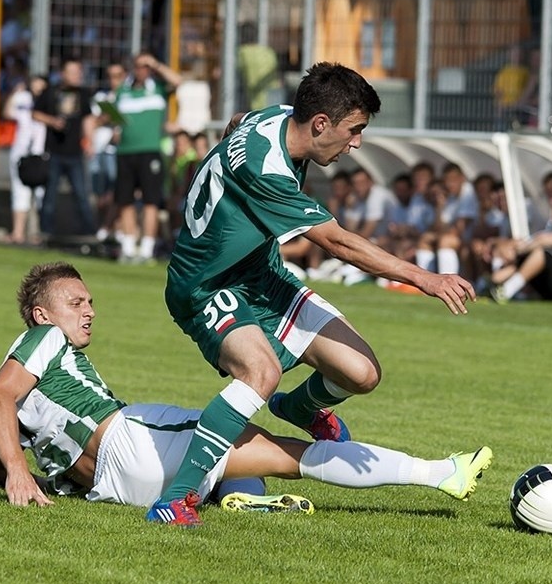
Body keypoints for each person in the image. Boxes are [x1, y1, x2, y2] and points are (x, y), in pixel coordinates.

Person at [153, 62, 476, 526]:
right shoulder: (267, 170)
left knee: (362, 373)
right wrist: (425, 278)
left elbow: (238, 123)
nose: (357, 143)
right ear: (321, 124)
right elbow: (338, 242)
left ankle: (298, 406)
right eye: (355, 130)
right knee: (259, 372)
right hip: (207, 286)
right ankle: (176, 498)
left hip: (262, 275)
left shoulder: (283, 116)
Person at [0, 262, 492, 523]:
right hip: (131, 441)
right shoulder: (43, 339)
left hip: (115, 491)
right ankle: (440, 474)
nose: (88, 310)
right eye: (74, 302)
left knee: (234, 460)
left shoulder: (34, 385)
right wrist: (19, 475)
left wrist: (4, 469)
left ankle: (240, 502)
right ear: (42, 315)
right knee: (284, 452)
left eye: (90, 300)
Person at [114, 52, 182, 263]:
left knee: (151, 200)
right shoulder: (123, 91)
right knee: (125, 200)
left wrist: (156, 63)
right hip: (125, 151)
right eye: (139, 66)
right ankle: (128, 246)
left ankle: (146, 248)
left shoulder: (158, 88)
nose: (141, 70)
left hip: (149, 150)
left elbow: (178, 81)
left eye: (145, 66)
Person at [32, 57, 97, 238]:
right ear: (63, 74)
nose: (78, 76)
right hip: (54, 152)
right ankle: (46, 231)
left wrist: (89, 142)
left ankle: (89, 232)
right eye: (74, 72)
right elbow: (35, 113)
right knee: (50, 195)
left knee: (82, 194)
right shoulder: (51, 92)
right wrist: (52, 121)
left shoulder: (83, 95)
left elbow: (87, 119)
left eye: (79, 72)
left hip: (75, 152)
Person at [4, 75, 48, 245]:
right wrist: (15, 93)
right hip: (21, 152)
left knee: (40, 194)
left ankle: (36, 233)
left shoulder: (47, 103)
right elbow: (7, 113)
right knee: (19, 192)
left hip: (40, 153)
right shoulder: (23, 99)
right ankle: (18, 232)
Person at [90, 60, 127, 242]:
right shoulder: (101, 96)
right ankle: (103, 229)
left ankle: (113, 229)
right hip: (100, 149)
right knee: (100, 195)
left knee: (115, 192)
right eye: (111, 77)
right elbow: (94, 120)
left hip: (117, 151)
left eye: (118, 76)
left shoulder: (128, 96)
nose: (114, 81)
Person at [493, 44, 530, 131]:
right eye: (514, 53)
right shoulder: (503, 71)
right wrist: (501, 103)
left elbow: (526, 90)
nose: (516, 56)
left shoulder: (525, 72)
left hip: (518, 107)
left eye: (518, 54)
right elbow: (497, 89)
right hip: (504, 106)